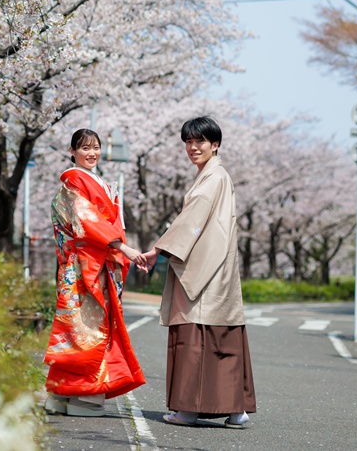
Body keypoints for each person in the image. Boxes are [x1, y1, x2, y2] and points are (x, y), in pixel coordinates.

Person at [141, 116, 257, 429]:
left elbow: (192, 219)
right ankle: (236, 410)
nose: (193, 147)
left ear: (215, 144)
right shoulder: (216, 175)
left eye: (200, 142)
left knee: (195, 336)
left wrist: (158, 251)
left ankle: (188, 410)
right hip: (219, 268)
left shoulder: (213, 178)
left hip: (204, 270)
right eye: (189, 142)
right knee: (224, 339)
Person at [43, 128, 147, 417]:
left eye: (96, 147)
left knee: (73, 330)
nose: (92, 153)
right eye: (85, 148)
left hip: (89, 264)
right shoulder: (72, 182)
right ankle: (83, 397)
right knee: (87, 330)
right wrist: (122, 248)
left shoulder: (95, 182)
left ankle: (59, 394)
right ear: (72, 150)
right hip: (86, 266)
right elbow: (87, 221)